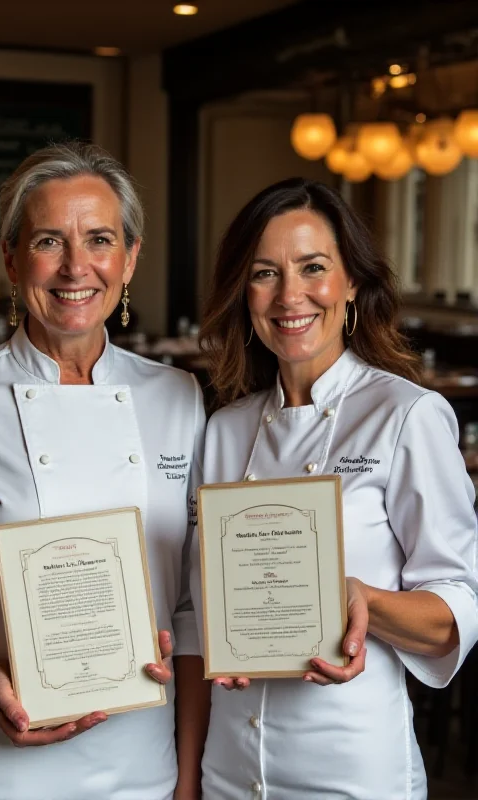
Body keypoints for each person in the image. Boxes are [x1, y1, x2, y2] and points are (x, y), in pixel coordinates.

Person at [0, 142, 205, 800]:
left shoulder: (179, 398)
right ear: (10, 257)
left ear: (131, 256)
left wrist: (191, 772)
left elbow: (192, 604)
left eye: (99, 239)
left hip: (144, 763)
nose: (75, 267)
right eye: (49, 241)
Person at [189, 178, 478, 799]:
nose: (290, 295)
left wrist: (355, 596)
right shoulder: (223, 430)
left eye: (312, 267)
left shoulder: (405, 415)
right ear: (244, 292)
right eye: (265, 273)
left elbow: (457, 610)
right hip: (230, 765)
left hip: (349, 766)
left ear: (352, 284)